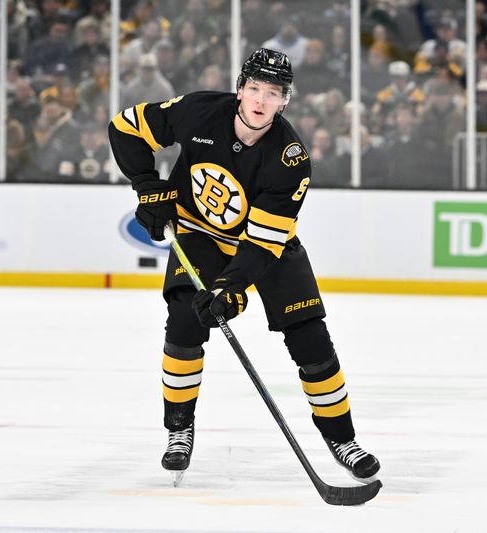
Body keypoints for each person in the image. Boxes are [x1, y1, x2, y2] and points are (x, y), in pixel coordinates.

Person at [107, 48, 380, 484]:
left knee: (310, 338)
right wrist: (147, 186)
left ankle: (342, 439)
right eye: (254, 88)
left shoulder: (290, 158)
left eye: (272, 93)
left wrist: (231, 288)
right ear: (239, 89)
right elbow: (124, 128)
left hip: (267, 246)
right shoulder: (198, 112)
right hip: (199, 233)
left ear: (284, 101)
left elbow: (262, 242)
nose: (260, 100)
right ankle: (179, 430)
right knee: (184, 321)